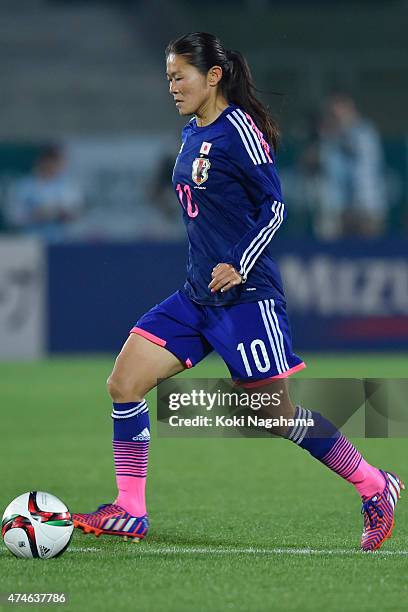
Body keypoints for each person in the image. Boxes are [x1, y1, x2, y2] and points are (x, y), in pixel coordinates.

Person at [72, 33, 403, 551]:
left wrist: (238, 263)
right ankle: (130, 509)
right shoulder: (189, 134)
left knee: (274, 417)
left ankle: (374, 485)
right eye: (168, 78)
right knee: (124, 382)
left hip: (246, 300)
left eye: (179, 76)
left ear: (213, 76)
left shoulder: (240, 130)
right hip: (195, 297)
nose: (173, 87)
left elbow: (275, 207)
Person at [5, 145, 83, 242]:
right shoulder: (24, 186)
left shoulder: (68, 186)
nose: (51, 165)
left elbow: (75, 214)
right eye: (48, 161)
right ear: (40, 161)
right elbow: (14, 217)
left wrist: (61, 214)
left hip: (60, 241)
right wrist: (34, 215)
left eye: (55, 162)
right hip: (30, 241)